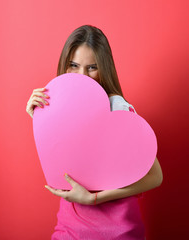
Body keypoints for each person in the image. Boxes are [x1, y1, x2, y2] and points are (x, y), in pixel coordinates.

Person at [26, 25, 163, 239]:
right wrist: (41, 119)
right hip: (69, 228)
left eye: (92, 67)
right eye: (74, 65)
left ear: (104, 68)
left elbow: (155, 176)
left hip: (116, 231)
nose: (83, 75)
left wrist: (95, 198)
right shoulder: (61, 107)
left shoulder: (117, 108)